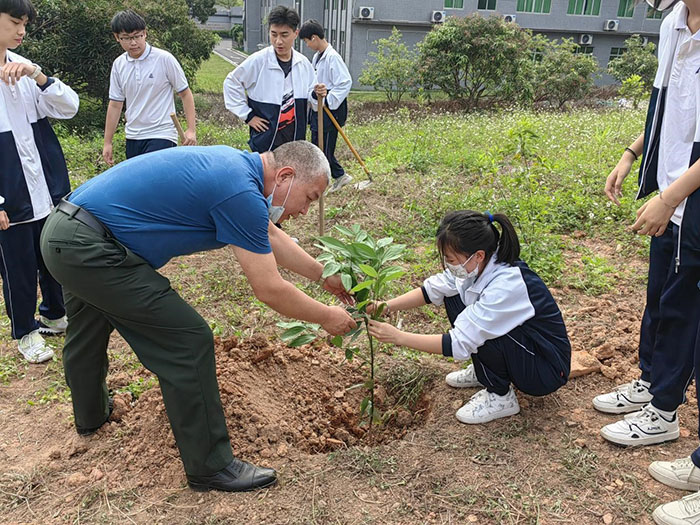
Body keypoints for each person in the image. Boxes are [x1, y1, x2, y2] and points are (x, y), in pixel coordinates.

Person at [40, 141, 357, 492]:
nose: (305, 211)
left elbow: (267, 233)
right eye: (310, 198)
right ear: (285, 176)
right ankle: (211, 467)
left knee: (88, 327)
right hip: (92, 248)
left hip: (66, 234)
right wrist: (328, 317)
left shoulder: (236, 169)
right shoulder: (239, 191)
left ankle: (91, 416)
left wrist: (322, 275)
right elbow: (269, 289)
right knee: (187, 341)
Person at [606, 1, 700, 523]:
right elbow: (669, 105)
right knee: (660, 295)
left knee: (684, 307)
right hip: (672, 188)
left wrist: (672, 198)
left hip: (689, 198)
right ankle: (652, 384)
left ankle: (664, 408)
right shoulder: (673, 23)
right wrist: (632, 153)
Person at [367, 211, 571, 424]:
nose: (448, 265)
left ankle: (500, 397)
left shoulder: (506, 285)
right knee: (453, 297)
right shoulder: (480, 265)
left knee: (484, 329)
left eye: (452, 259)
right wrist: (385, 306)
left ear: (479, 255)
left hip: (544, 370)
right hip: (525, 350)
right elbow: (433, 289)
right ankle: (487, 370)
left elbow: (459, 342)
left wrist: (398, 337)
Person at [0, 0, 79, 363]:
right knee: (17, 264)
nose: (22, 31)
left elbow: (68, 108)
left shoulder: (23, 68)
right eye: (15, 22)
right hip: (9, 191)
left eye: (25, 25)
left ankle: (55, 314)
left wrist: (39, 76)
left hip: (45, 185)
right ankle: (25, 330)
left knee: (50, 253)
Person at [102, 9, 196, 166]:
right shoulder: (119, 64)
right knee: (138, 186)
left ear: (145, 33)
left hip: (162, 134)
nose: (133, 43)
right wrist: (107, 142)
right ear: (117, 38)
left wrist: (191, 130)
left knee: (157, 183)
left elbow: (185, 93)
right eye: (126, 38)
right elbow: (115, 104)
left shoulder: (164, 59)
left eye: (137, 36)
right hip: (133, 136)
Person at [223, 5, 316, 153]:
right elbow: (231, 83)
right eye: (274, 34)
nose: (278, 41)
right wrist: (248, 116)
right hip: (265, 142)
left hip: (295, 142)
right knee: (264, 175)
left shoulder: (303, 64)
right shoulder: (259, 61)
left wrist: (318, 94)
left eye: (284, 35)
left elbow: (313, 98)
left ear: (295, 33)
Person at [300, 19, 353, 193]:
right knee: (317, 147)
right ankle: (325, 179)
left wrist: (329, 99)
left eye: (307, 41)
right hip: (318, 108)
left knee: (325, 150)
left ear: (314, 38)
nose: (307, 45)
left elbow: (345, 83)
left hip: (331, 110)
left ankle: (340, 176)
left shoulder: (333, 58)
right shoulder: (317, 57)